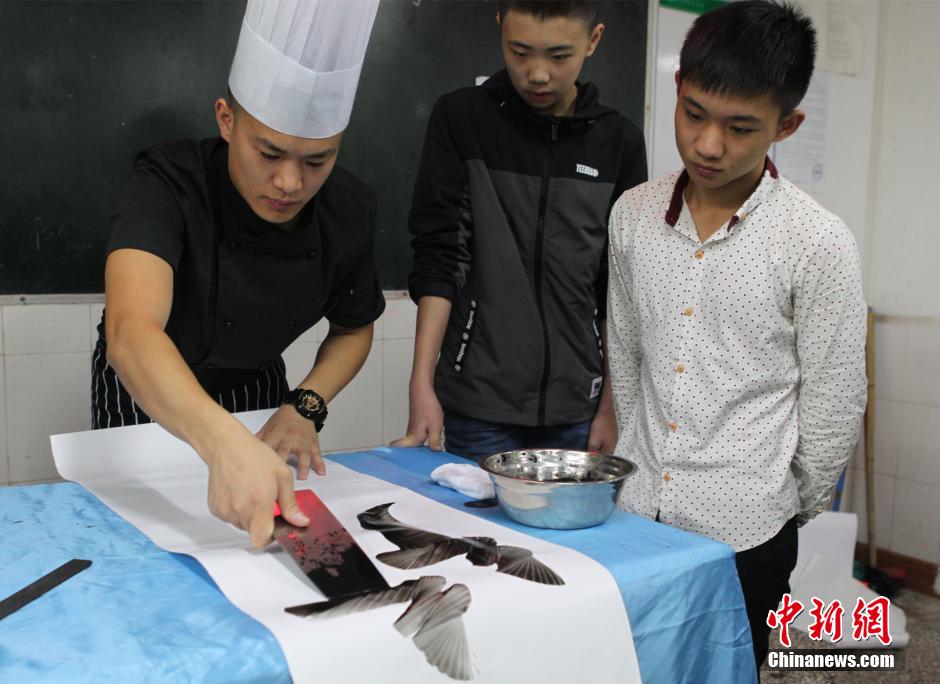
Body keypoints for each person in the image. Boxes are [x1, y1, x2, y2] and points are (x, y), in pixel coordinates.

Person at [606, 0, 867, 672]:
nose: (708, 144)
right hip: (637, 519)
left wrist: (786, 502)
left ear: (788, 125)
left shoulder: (816, 240)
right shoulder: (633, 215)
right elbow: (626, 353)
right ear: (677, 90)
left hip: (748, 533)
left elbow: (836, 397)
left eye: (740, 127)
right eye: (694, 114)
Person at [92, 0, 383, 548]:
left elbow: (354, 326)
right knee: (142, 542)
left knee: (258, 551)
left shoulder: (350, 209)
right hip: (142, 386)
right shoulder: (168, 181)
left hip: (256, 387)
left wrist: (305, 407)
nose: (290, 183)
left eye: (317, 161)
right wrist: (222, 442)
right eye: (268, 153)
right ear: (227, 119)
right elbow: (131, 333)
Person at [393, 0, 647, 462]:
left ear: (593, 41)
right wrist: (422, 385)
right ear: (499, 28)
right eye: (520, 51)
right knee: (477, 534)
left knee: (568, 535)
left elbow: (619, 289)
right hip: (478, 403)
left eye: (558, 56)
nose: (537, 74)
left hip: (579, 407)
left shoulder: (619, 142)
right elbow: (439, 255)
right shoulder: (461, 118)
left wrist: (611, 405)